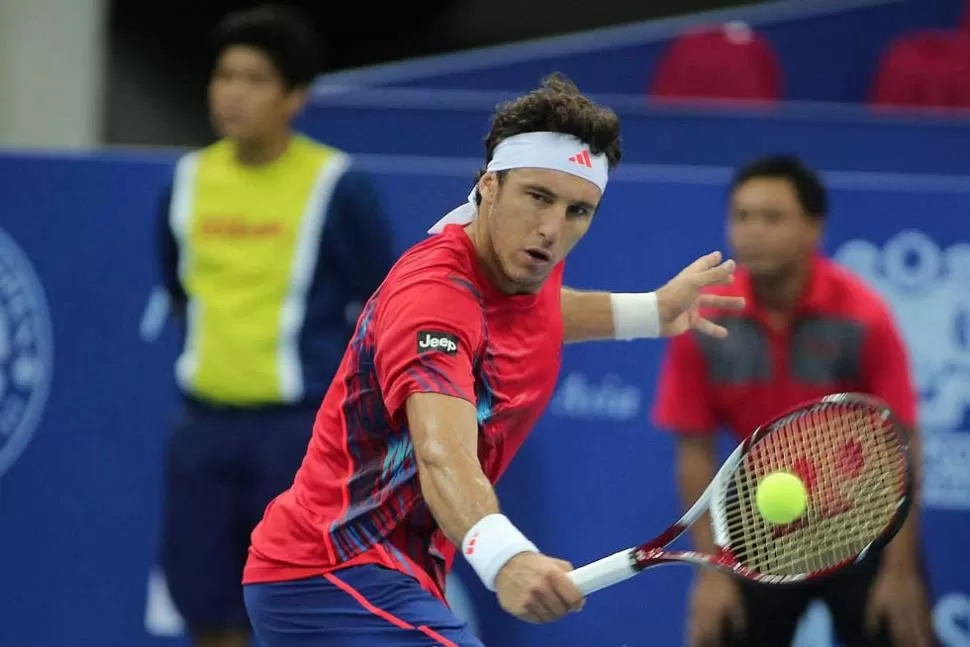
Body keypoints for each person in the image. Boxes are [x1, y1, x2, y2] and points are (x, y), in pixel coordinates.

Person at [241, 73, 744, 646]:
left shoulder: (519, 259)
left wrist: (650, 312)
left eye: (579, 210)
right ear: (488, 187)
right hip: (329, 575)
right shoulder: (435, 302)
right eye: (538, 196)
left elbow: (537, 313)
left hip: (385, 575)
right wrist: (505, 559)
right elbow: (440, 452)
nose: (552, 228)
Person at [155, 6, 395, 647]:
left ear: (294, 97)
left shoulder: (337, 185)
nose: (232, 92)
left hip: (299, 436)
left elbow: (385, 306)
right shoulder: (186, 180)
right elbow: (180, 291)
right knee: (207, 611)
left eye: (255, 78)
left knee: (295, 613)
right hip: (203, 431)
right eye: (223, 75)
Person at [652, 155, 936, 647]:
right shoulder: (709, 320)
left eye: (772, 217)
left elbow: (903, 442)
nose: (753, 232)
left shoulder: (865, 315)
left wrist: (900, 570)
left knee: (902, 630)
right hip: (758, 530)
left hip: (862, 520)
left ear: (813, 227)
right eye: (742, 217)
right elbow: (694, 448)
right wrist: (712, 573)